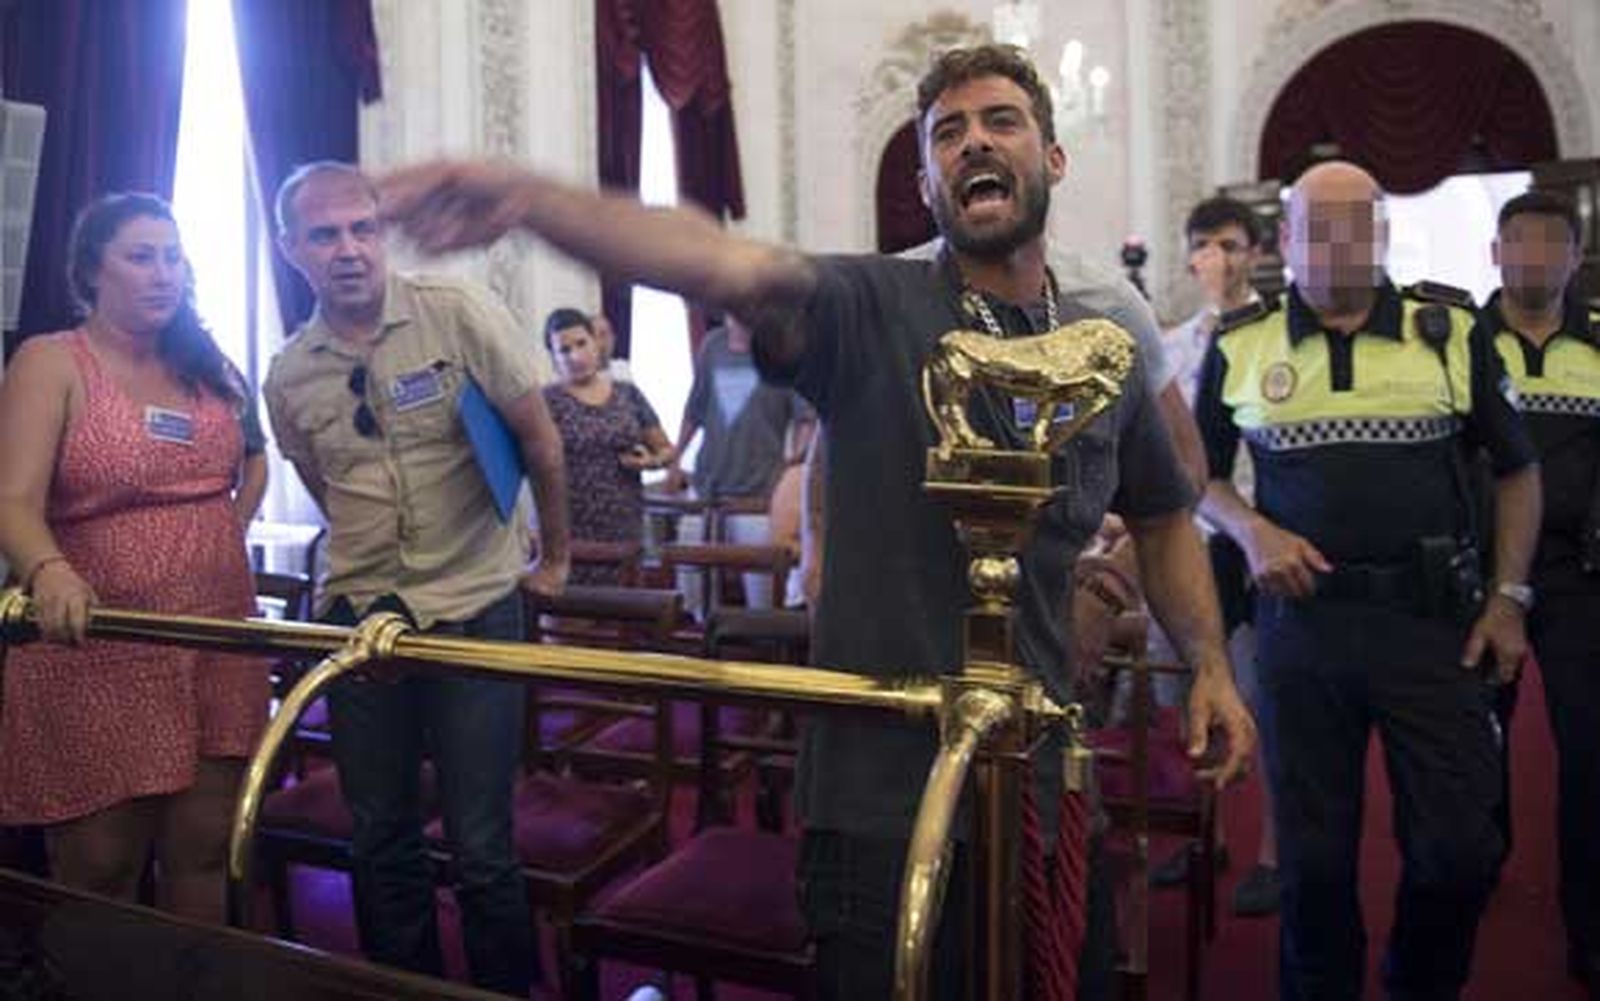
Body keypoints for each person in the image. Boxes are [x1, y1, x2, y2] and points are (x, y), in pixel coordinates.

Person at [377, 42, 1255, 1000]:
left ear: (1052, 157)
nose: (973, 143)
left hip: (1043, 783)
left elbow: (1163, 513)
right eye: (947, 134)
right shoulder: (868, 305)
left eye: (1001, 121)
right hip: (881, 800)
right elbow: (718, 259)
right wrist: (528, 198)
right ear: (926, 184)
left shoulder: (1101, 346)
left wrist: (1208, 660)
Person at [1195, 160, 1542, 1000]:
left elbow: (1518, 470)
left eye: (1358, 225)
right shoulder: (1242, 344)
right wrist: (1252, 529)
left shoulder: (1448, 331)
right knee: (1311, 870)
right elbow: (1195, 477)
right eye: (1319, 227)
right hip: (1302, 634)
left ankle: (1418, 983)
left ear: (1383, 234)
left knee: (1460, 852)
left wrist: (1509, 596)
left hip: (1432, 629)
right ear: (1286, 239)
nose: (1339, 242)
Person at [261, 161, 570, 995]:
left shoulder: (456, 311)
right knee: (380, 835)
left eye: (362, 228)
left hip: (473, 603)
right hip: (361, 619)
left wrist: (556, 558)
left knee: (480, 842)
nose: (349, 249)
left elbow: (539, 440)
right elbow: (324, 485)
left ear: (382, 232)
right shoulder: (289, 374)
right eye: (325, 235)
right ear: (292, 249)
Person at [0, 192, 268, 922]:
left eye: (173, 257)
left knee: (204, 851)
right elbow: (12, 500)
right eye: (141, 257)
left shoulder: (205, 364)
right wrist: (49, 570)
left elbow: (247, 464)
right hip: (101, 643)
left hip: (216, 637)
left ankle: (193, 977)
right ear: (93, 270)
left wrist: (222, 531)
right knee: (101, 866)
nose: (163, 272)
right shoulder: (52, 361)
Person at [1149, 195, 1281, 916]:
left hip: (1255, 535)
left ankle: (1274, 853)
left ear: (1256, 253)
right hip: (1187, 539)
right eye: (1205, 246)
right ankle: (1207, 836)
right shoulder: (1171, 346)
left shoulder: (1279, 334)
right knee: (1186, 698)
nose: (1219, 260)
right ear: (1189, 257)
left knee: (1267, 696)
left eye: (1232, 246)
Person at [1483, 189, 1600, 993]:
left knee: (1588, 749)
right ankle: (1483, 852)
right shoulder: (1459, 342)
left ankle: (1588, 922)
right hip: (1481, 577)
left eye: (1552, 243)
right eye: (1518, 241)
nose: (1534, 257)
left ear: (1576, 257)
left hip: (1580, 578)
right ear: (1496, 253)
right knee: (1477, 738)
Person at [664, 312, 815, 609]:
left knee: (763, 596)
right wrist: (675, 459)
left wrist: (792, 471)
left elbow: (806, 419)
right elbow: (695, 408)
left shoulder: (782, 351)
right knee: (692, 591)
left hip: (758, 494)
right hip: (706, 489)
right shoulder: (712, 346)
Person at [542, 306, 674, 583]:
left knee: (624, 603)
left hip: (624, 524)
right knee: (571, 606)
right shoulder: (545, 402)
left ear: (595, 342)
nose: (576, 356)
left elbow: (666, 450)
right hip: (569, 531)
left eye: (581, 343)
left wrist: (650, 462)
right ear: (553, 358)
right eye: (564, 350)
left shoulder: (628, 394)